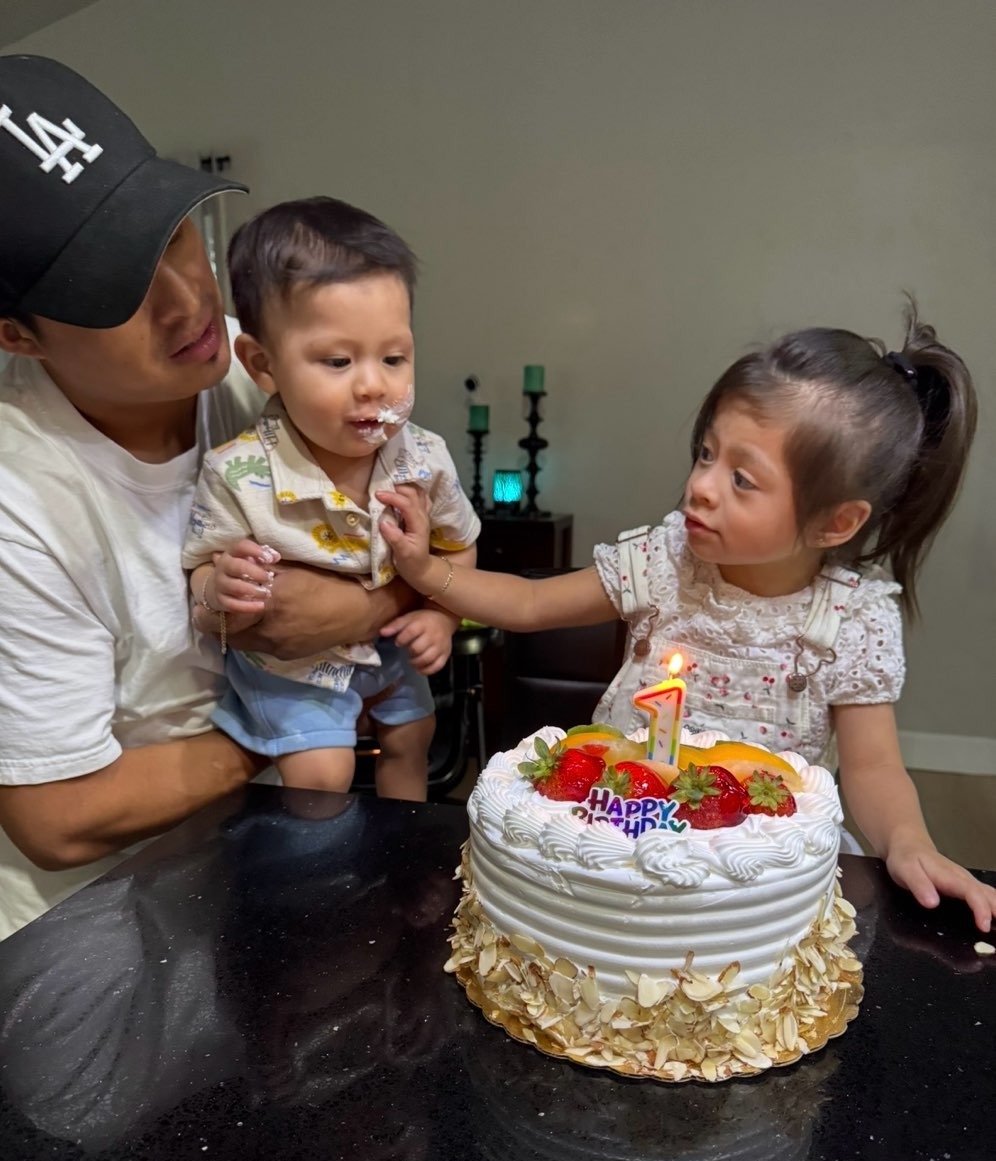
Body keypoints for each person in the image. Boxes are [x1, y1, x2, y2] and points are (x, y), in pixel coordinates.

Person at [378, 306, 996, 933]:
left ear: (835, 522)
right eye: (706, 453)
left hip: (755, 880)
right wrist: (428, 572)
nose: (701, 485)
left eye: (742, 478)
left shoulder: (853, 619)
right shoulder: (664, 561)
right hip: (618, 849)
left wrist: (910, 843)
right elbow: (531, 604)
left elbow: (872, 767)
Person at [0, 57, 417, 939]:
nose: (188, 299)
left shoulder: (243, 361)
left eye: (174, 235)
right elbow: (58, 818)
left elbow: (410, 532)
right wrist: (304, 714)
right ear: (18, 336)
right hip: (94, 932)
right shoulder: (21, 502)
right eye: (114, 286)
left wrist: (363, 608)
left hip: (259, 861)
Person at [181, 198, 479, 800]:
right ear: (263, 365)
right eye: (338, 361)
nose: (373, 384)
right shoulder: (237, 471)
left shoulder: (424, 458)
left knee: (414, 735)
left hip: (390, 646)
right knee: (323, 771)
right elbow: (201, 572)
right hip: (291, 669)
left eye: (394, 358)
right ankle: (319, 854)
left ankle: (399, 847)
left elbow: (459, 549)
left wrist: (442, 617)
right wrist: (220, 586)